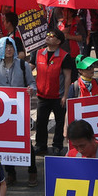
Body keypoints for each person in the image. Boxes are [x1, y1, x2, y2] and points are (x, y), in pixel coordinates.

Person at [0, 37, 36, 185]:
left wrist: (31, 90)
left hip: (20, 110)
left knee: (25, 140)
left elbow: (32, 82)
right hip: (2, 111)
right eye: (6, 46)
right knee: (5, 142)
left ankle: (32, 171)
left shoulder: (23, 65)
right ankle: (10, 173)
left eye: (11, 46)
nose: (9, 49)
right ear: (1, 48)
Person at [33, 29, 74, 186]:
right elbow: (29, 68)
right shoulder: (38, 53)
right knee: (41, 122)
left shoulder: (64, 56)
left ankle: (57, 146)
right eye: (48, 35)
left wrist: (65, 96)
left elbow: (68, 76)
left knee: (59, 123)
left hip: (58, 96)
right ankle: (41, 145)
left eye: (52, 36)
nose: (48, 37)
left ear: (58, 41)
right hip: (42, 95)